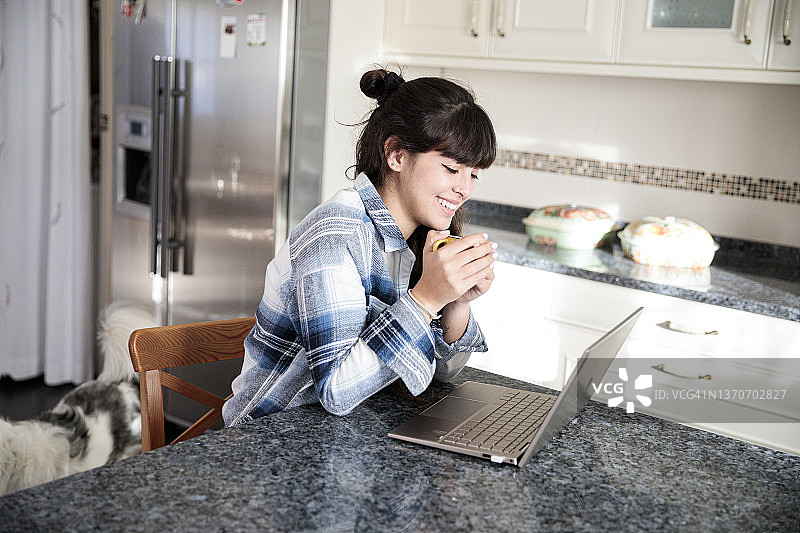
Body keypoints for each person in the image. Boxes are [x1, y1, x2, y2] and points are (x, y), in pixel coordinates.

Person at [223, 69, 497, 426]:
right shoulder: (337, 236)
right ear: (396, 155)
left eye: (473, 175)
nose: (464, 190)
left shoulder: (418, 239)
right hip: (266, 441)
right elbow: (335, 392)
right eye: (450, 168)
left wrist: (455, 304)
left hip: (347, 433)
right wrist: (426, 299)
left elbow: (440, 375)